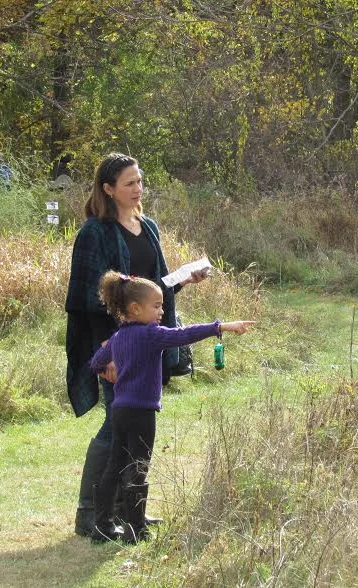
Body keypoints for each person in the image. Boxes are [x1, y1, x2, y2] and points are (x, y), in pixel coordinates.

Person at [65, 153, 209, 537]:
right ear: (108, 188)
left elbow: (150, 288)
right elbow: (88, 299)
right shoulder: (94, 232)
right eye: (129, 183)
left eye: (140, 181)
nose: (137, 189)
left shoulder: (148, 227)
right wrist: (105, 352)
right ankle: (90, 513)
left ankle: (129, 513)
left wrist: (182, 280)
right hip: (118, 347)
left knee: (136, 433)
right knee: (115, 428)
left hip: (149, 345)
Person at [89, 272, 255, 543]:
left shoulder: (118, 338)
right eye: (156, 306)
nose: (162, 311)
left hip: (119, 410)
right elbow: (184, 334)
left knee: (115, 465)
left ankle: (102, 526)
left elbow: (96, 362)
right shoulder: (152, 335)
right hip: (142, 412)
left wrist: (110, 370)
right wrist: (221, 326)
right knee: (138, 466)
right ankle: (135, 530)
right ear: (135, 309)